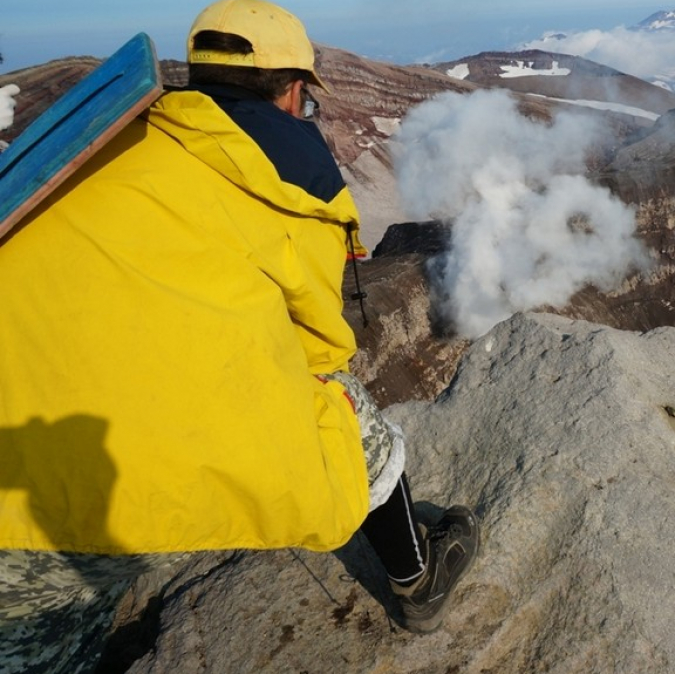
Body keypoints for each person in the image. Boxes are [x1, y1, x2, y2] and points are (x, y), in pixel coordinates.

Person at [0, 1, 478, 671]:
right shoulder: (293, 171)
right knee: (349, 414)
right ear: (292, 90)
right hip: (119, 483)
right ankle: (418, 581)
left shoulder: (117, 134)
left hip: (12, 490)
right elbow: (319, 349)